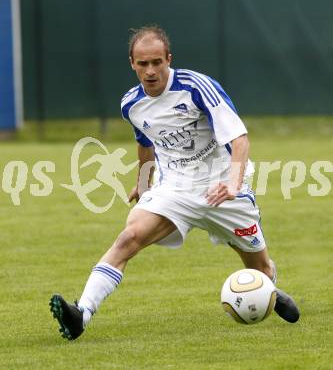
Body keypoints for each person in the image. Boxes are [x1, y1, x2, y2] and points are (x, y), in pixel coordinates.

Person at [50, 25, 299, 340]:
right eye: (143, 64)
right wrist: (143, 181)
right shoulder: (131, 104)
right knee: (129, 238)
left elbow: (239, 138)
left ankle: (269, 289)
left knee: (259, 268)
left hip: (222, 190)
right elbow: (145, 141)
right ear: (132, 63)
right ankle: (81, 314)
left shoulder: (197, 87)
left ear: (169, 59)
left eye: (157, 62)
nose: (151, 71)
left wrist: (234, 184)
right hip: (176, 190)